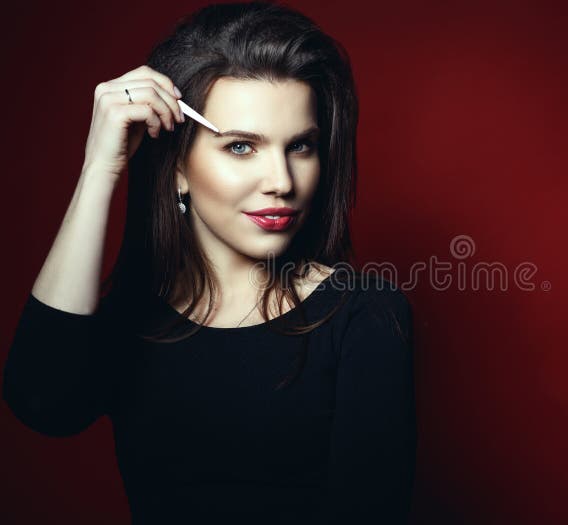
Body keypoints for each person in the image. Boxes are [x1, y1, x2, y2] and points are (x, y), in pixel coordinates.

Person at [1, 2, 417, 524]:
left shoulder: (365, 316)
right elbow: (41, 402)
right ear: (177, 167)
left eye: (301, 146)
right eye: (242, 146)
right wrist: (101, 168)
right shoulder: (134, 320)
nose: (282, 182)